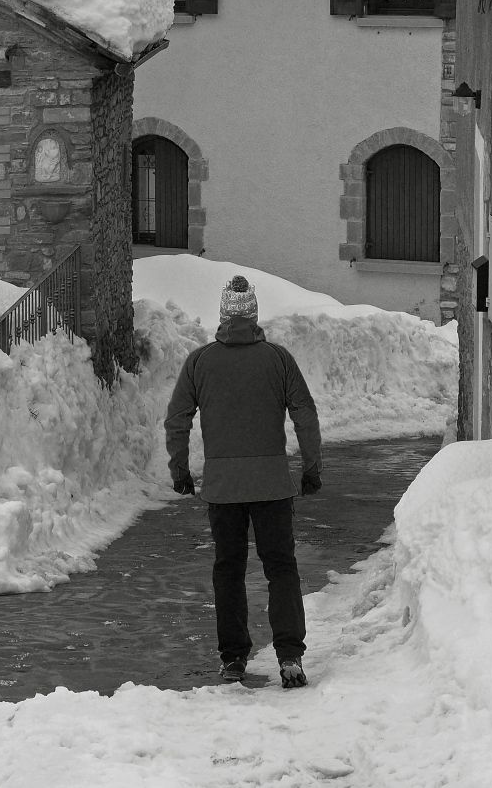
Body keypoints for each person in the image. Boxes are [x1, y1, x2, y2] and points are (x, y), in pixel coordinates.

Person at [164, 274, 322, 689]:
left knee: (228, 570)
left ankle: (233, 658)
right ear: (253, 316)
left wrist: (179, 470)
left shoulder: (199, 362)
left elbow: (177, 420)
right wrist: (311, 468)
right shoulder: (278, 359)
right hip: (271, 485)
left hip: (223, 488)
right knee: (281, 568)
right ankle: (289, 655)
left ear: (222, 316)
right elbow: (304, 413)